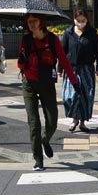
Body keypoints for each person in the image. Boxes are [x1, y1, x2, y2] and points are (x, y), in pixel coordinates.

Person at [17, 13, 80, 171]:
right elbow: (20, 64)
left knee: (52, 121)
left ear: (41, 22)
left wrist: (75, 82)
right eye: (29, 21)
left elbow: (64, 61)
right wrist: (22, 60)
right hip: (29, 83)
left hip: (46, 84)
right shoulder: (26, 40)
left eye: (34, 21)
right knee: (34, 122)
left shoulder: (52, 39)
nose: (31, 24)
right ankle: (38, 159)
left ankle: (45, 140)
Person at [60, 9, 98, 132]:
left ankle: (81, 122)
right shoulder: (68, 32)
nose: (80, 23)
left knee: (86, 95)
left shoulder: (91, 32)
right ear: (74, 20)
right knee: (69, 96)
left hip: (87, 68)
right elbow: (62, 52)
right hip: (71, 69)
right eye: (78, 21)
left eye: (83, 21)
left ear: (87, 20)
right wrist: (60, 68)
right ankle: (73, 119)